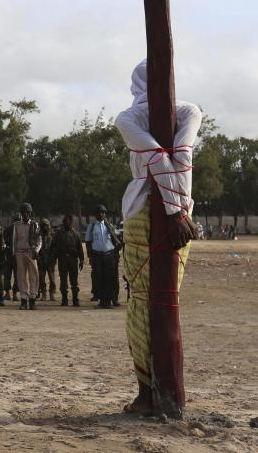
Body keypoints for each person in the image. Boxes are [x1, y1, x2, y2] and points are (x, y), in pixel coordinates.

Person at [114, 59, 200, 416]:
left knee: (153, 302)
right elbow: (168, 159)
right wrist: (178, 210)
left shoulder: (184, 112)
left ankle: (151, 393)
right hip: (172, 215)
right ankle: (148, 390)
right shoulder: (131, 119)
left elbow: (173, 158)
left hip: (162, 216)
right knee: (142, 301)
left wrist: (174, 212)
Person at [11, 203, 41, 310]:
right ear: (21, 213)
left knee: (34, 276)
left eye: (27, 212)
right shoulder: (16, 225)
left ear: (30, 213)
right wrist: (14, 254)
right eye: (24, 212)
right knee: (21, 277)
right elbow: (14, 240)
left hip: (31, 252)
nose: (25, 214)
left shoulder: (34, 224)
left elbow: (39, 240)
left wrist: (37, 250)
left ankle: (32, 299)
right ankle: (23, 300)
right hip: (20, 253)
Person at [51, 214, 84, 307]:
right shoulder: (58, 233)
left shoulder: (76, 234)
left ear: (71, 222)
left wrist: (81, 260)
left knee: (74, 281)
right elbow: (53, 246)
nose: (65, 223)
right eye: (64, 222)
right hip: (62, 259)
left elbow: (80, 248)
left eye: (67, 221)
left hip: (73, 260)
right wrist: (53, 258)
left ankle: (75, 300)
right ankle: (64, 299)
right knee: (63, 281)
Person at [36, 219, 57, 302]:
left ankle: (52, 294)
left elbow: (55, 247)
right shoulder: (38, 235)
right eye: (43, 225)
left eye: (46, 225)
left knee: (52, 279)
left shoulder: (53, 235)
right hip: (41, 260)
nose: (44, 227)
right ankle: (43, 294)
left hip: (50, 260)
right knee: (41, 278)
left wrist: (53, 257)